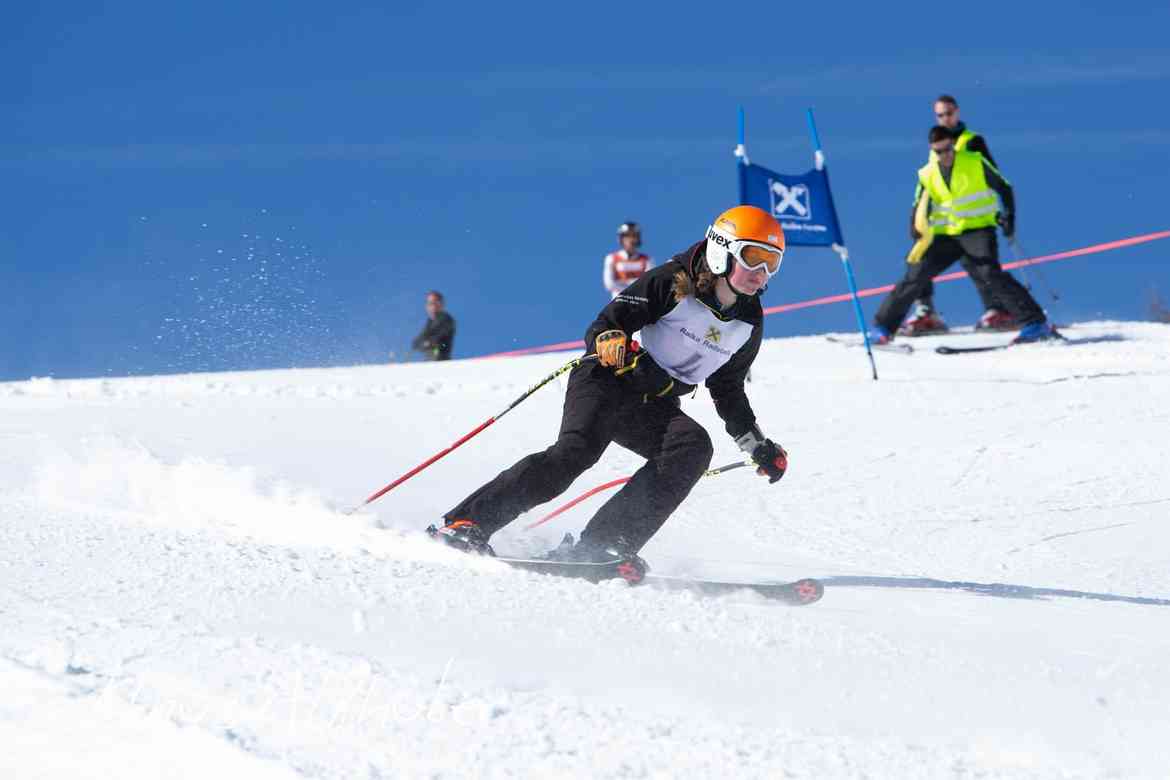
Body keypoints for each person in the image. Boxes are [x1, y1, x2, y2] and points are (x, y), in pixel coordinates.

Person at [432, 206, 790, 566]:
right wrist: (610, 338)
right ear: (721, 250)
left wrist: (757, 445)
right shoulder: (672, 281)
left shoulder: (748, 323)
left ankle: (602, 545)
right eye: (753, 257)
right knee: (576, 453)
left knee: (691, 448)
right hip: (607, 380)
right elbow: (608, 322)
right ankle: (465, 523)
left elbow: (727, 389)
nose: (761, 273)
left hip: (651, 403)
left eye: (772, 262)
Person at [871, 127, 1060, 346]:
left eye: (948, 149)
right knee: (916, 274)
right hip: (946, 235)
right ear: (933, 151)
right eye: (939, 151)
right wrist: (914, 225)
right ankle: (882, 328)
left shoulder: (974, 161)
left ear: (953, 145)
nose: (946, 155)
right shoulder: (927, 173)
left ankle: (1036, 324)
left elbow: (1004, 187)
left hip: (977, 230)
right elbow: (918, 202)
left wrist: (1009, 216)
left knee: (990, 272)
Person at [901, 94, 1019, 335]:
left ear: (958, 111)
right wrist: (915, 213)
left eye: (949, 113)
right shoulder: (936, 143)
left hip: (973, 219)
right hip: (944, 220)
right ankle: (926, 312)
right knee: (919, 258)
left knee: (979, 266)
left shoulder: (972, 141)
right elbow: (925, 183)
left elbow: (994, 177)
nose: (946, 118)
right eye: (940, 115)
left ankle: (997, 310)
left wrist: (1006, 213)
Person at [603, 221, 654, 298]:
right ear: (621, 239)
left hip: (640, 301)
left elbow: (649, 282)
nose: (631, 240)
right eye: (627, 236)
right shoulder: (612, 258)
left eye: (634, 236)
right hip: (619, 301)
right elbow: (609, 284)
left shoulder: (647, 260)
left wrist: (624, 283)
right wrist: (632, 287)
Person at [409, 290, 456, 361]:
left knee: (435, 351)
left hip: (441, 359)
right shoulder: (430, 322)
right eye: (428, 304)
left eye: (433, 303)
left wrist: (427, 343)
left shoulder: (446, 319)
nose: (430, 307)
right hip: (430, 360)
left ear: (440, 304)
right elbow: (417, 341)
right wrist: (422, 343)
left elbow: (439, 338)